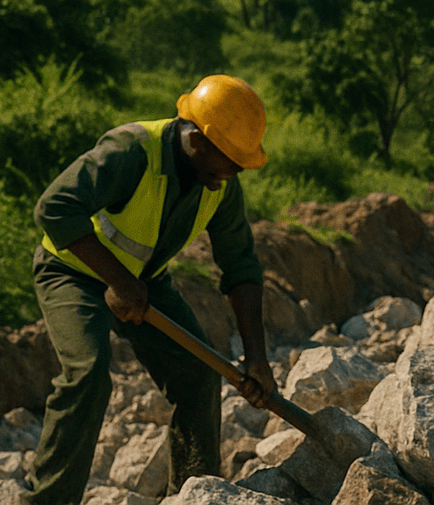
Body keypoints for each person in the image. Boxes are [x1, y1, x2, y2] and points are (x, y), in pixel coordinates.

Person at [29, 74, 276, 505]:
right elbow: (54, 207)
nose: (230, 175)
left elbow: (240, 266)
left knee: (198, 375)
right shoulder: (131, 151)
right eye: (229, 163)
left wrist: (257, 358)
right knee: (88, 373)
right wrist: (119, 281)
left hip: (143, 282)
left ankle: (195, 495)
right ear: (197, 141)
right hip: (71, 270)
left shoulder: (219, 184)